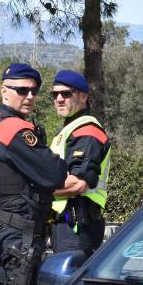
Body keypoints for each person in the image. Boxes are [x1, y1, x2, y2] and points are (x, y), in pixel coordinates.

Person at [0, 62, 67, 285]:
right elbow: (54, 174)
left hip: (2, 227)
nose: (29, 96)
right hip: (19, 233)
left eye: (34, 90)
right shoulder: (14, 128)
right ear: (4, 91)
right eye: (21, 90)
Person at [49, 70, 111, 262]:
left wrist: (34, 191)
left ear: (84, 96)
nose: (59, 99)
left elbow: (78, 184)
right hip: (68, 223)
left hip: (77, 225)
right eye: (55, 94)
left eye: (67, 94)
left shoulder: (88, 132)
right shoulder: (71, 129)